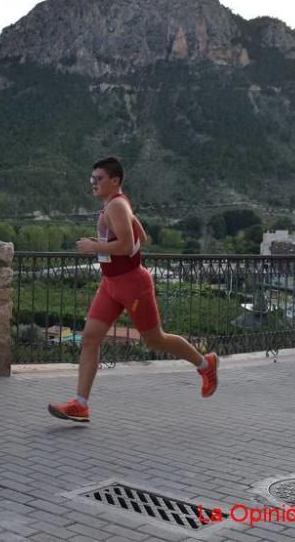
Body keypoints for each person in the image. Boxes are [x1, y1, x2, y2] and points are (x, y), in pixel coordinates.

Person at [48, 157, 219, 423]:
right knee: (90, 339)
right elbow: (139, 236)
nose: (93, 183)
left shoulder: (116, 204)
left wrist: (96, 247)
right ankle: (80, 404)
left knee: (155, 340)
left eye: (99, 178)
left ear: (114, 180)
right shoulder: (116, 204)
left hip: (132, 284)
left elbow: (127, 246)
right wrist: (105, 242)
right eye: (92, 178)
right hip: (110, 284)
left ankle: (206, 364)